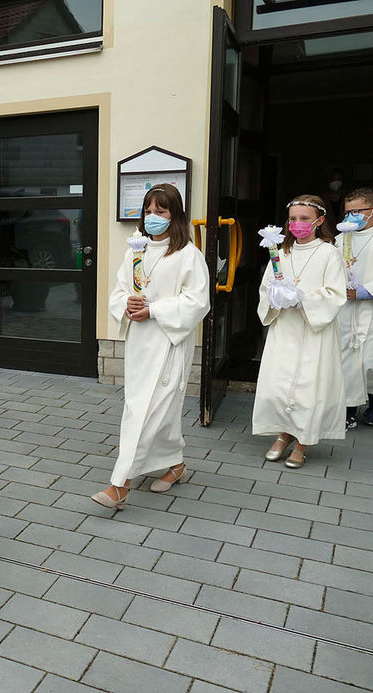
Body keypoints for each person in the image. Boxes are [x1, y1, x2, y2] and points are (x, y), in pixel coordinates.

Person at [92, 184, 210, 510]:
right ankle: (176, 464)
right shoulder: (136, 251)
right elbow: (118, 291)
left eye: (161, 211)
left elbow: (198, 301)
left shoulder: (189, 255)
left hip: (169, 342)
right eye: (148, 211)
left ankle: (120, 485)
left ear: (175, 215)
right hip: (140, 343)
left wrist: (155, 309)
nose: (153, 217)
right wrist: (126, 305)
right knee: (152, 407)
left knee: (145, 411)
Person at [254, 195, 346, 469]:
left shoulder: (330, 252)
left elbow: (335, 293)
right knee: (279, 386)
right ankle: (283, 434)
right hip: (285, 328)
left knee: (308, 388)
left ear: (319, 221)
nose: (297, 224)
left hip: (313, 330)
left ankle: (302, 442)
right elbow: (266, 287)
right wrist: (276, 297)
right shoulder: (281, 252)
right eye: (293, 219)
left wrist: (303, 298)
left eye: (304, 219)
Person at [336, 187, 373, 429]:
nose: (349, 217)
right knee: (345, 360)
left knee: (371, 361)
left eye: (356, 211)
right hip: (344, 310)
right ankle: (348, 411)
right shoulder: (340, 239)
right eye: (347, 212)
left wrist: (364, 291)